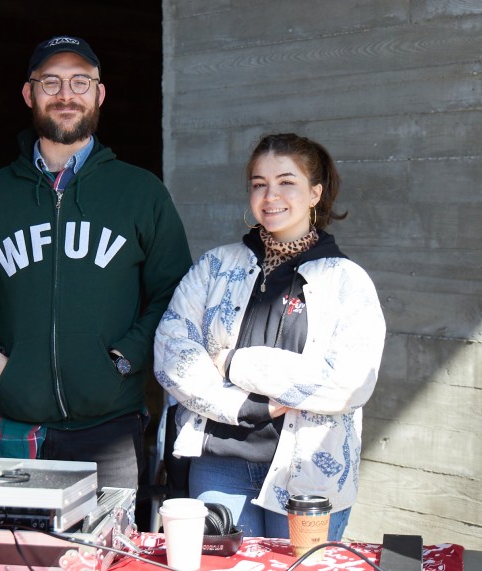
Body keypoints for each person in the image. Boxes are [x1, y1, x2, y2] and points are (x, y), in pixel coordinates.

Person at [0, 35, 192, 490]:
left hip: (111, 425)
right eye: (51, 82)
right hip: (17, 420)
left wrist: (124, 360)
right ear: (29, 94)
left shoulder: (141, 192)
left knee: (112, 557)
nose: (66, 94)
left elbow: (174, 293)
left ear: (99, 94)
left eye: (81, 81)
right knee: (17, 557)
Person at [153, 133, 386, 539]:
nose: (270, 194)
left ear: (315, 193)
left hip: (311, 472)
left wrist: (235, 363)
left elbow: (351, 381)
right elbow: (172, 351)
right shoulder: (215, 267)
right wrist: (244, 407)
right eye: (259, 183)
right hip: (219, 462)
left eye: (286, 182)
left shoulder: (346, 281)